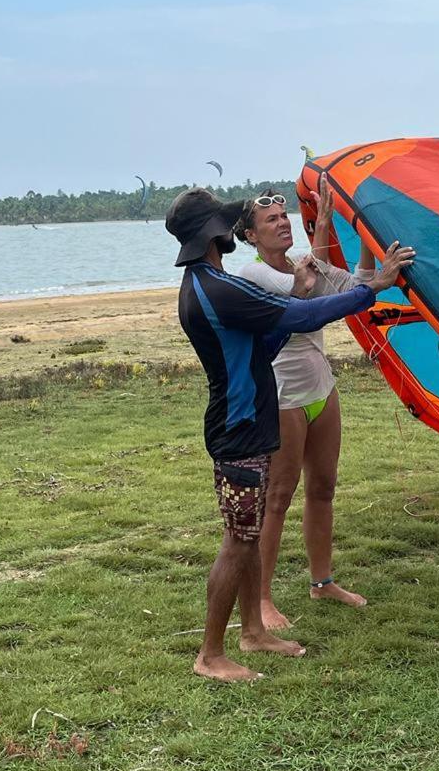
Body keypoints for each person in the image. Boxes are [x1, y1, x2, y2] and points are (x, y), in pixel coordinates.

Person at [167, 186, 413, 682]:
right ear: (217, 234)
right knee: (238, 540)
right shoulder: (220, 287)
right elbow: (301, 319)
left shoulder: (208, 281)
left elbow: (272, 337)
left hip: (250, 419)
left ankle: (254, 632)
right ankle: (210, 655)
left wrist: (303, 291)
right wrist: (376, 286)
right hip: (239, 427)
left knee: (250, 530)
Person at [236, 178, 406, 629]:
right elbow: (310, 294)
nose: (280, 223)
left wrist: (358, 239)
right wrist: (329, 245)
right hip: (281, 395)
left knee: (324, 489)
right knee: (277, 498)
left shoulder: (297, 263)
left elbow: (349, 286)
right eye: (269, 220)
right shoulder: (255, 275)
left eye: (283, 216)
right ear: (251, 236)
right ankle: (262, 599)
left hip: (320, 389)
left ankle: (321, 581)